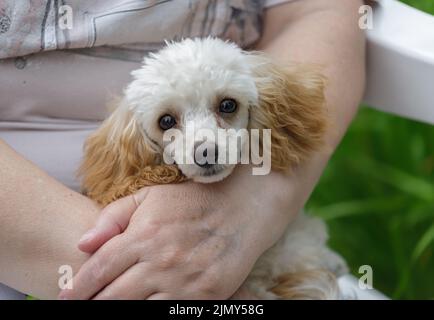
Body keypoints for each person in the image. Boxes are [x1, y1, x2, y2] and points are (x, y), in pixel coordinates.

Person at [0, 0, 366, 299]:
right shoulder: (124, 143)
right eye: (168, 123)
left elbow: (316, 10)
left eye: (226, 108)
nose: (204, 146)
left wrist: (255, 205)